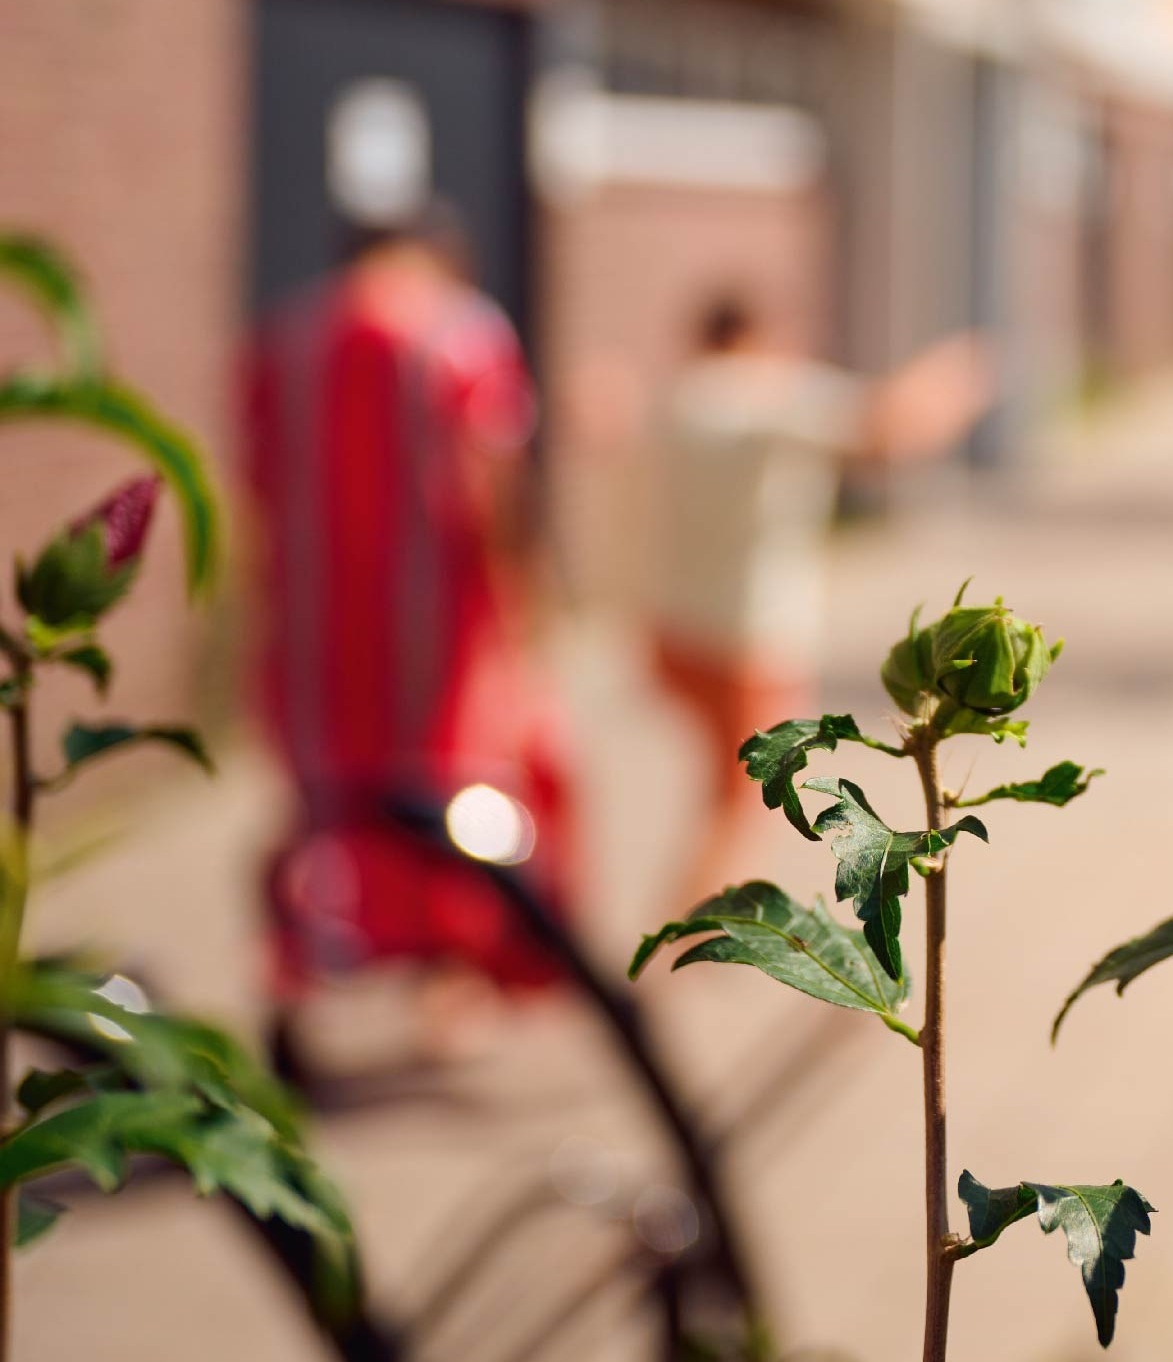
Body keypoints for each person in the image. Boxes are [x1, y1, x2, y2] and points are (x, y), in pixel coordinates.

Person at [245, 203, 582, 1061]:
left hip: (314, 631)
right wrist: (526, 596)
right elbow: (494, 478)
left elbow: (256, 483)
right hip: (435, 639)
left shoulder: (284, 340)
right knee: (455, 805)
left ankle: (293, 982)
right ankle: (452, 982)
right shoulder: (460, 336)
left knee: (325, 808)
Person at [647, 297, 990, 901]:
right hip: (749, 633)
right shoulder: (766, 392)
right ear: (756, 337)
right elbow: (890, 427)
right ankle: (682, 935)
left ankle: (701, 926)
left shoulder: (677, 400)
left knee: (719, 790)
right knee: (745, 798)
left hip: (673, 630)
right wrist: (956, 374)